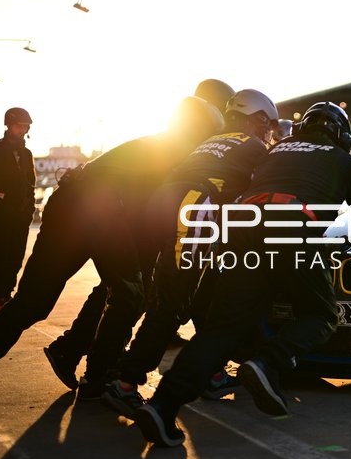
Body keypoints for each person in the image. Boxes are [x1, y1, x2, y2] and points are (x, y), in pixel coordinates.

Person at [133, 101, 351, 447]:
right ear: (341, 135)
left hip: (242, 230)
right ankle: (267, 364)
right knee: (321, 314)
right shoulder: (342, 161)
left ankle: (161, 406)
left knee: (221, 330)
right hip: (291, 227)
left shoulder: (274, 151)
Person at [0, 96, 225, 411]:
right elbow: (150, 218)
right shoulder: (179, 156)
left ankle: (84, 370)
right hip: (100, 209)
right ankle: (100, 379)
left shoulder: (153, 144)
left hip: (70, 203)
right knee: (131, 293)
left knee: (32, 302)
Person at [43, 79, 235, 391]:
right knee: (130, 293)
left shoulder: (175, 138)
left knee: (120, 292)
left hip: (128, 217)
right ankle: (92, 365)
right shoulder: (182, 144)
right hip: (128, 219)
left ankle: (75, 350)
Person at [101, 89, 279, 418]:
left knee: (205, 298)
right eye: (268, 124)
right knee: (170, 305)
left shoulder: (213, 141)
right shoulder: (252, 146)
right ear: (256, 118)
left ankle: (211, 373)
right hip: (192, 214)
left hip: (169, 211)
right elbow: (274, 184)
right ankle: (124, 383)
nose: (269, 131)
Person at [0, 107, 37, 313]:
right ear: (9, 125)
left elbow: (31, 183)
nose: (23, 130)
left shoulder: (27, 153)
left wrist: (30, 208)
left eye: (26, 127)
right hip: (1, 213)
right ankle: (1, 295)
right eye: (20, 126)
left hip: (21, 214)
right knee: (1, 254)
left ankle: (8, 292)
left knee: (16, 255)